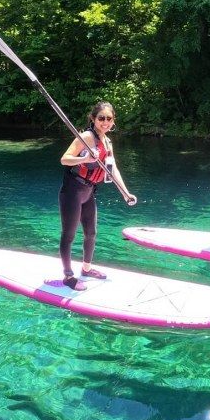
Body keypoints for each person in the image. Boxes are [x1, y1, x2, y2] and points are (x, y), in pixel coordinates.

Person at [58, 101, 136, 290]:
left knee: (91, 233)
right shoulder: (86, 137)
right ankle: (68, 277)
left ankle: (86, 269)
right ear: (93, 119)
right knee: (69, 235)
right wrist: (84, 158)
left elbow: (113, 168)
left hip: (89, 192)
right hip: (73, 192)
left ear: (113, 121)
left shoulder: (107, 142)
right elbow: (64, 159)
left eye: (109, 119)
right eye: (101, 118)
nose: (105, 122)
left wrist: (125, 192)